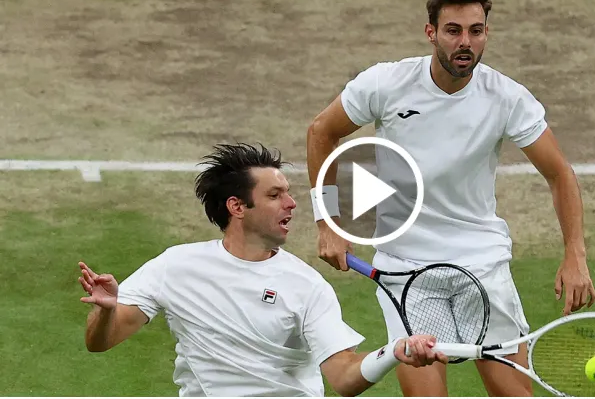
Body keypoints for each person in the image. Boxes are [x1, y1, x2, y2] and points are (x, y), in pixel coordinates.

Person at [305, 0, 595, 396]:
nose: (466, 42)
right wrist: (327, 222)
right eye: (454, 30)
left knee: (514, 395)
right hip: (406, 270)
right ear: (431, 33)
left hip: (481, 264)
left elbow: (559, 174)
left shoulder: (507, 98)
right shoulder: (386, 84)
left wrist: (575, 254)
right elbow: (322, 131)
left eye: (476, 31)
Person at [77, 143, 448, 397]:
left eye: (287, 193)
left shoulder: (306, 286)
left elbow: (344, 377)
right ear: (237, 207)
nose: (291, 204)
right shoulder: (175, 267)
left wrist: (393, 352)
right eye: (274, 195)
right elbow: (100, 342)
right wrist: (105, 310)